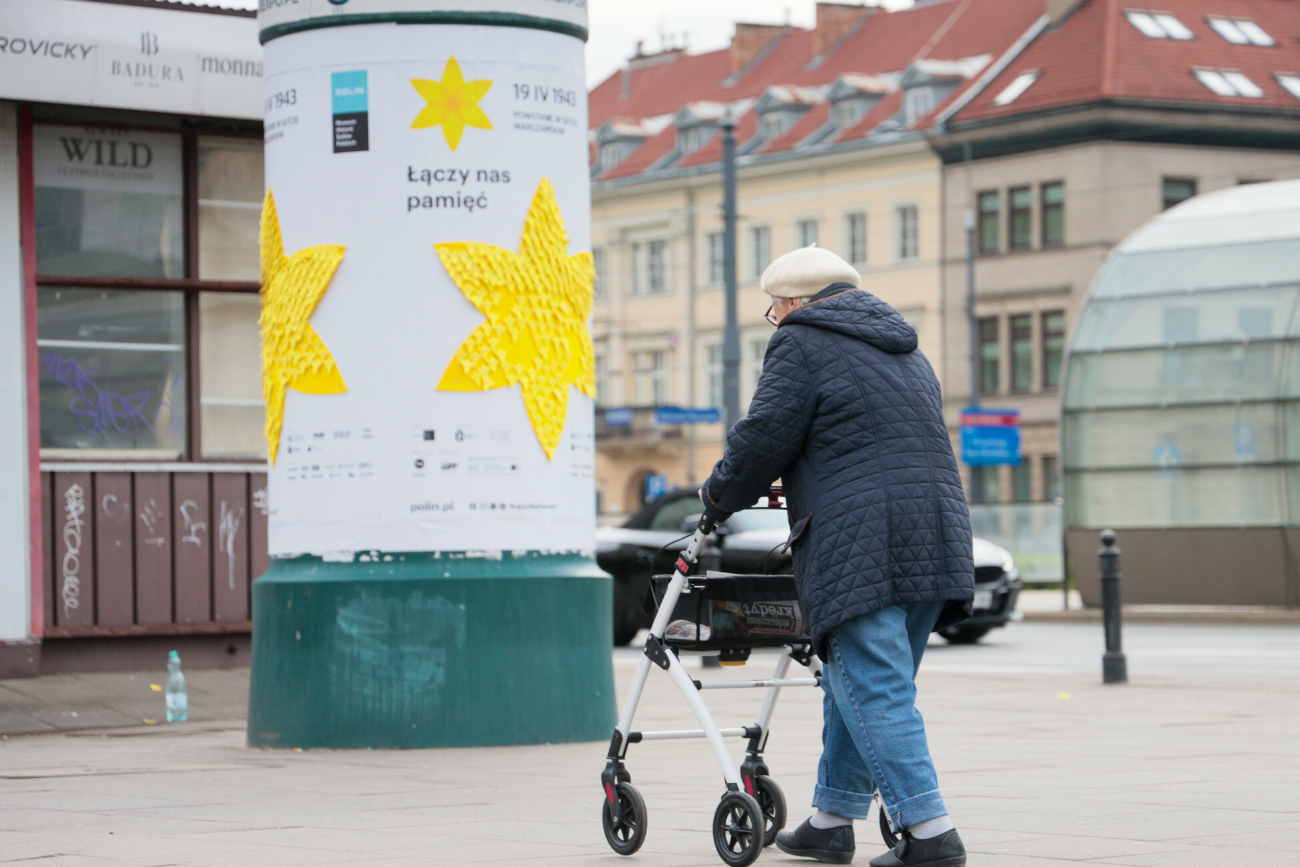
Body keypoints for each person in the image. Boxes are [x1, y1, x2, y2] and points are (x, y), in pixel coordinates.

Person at [700, 245, 973, 866]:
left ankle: (930, 832)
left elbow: (765, 434)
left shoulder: (802, 342)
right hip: (935, 533)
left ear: (794, 302)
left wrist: (718, 495)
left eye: (775, 311)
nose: (777, 320)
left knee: (873, 685)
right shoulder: (903, 346)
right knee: (859, 676)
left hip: (862, 540)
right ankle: (832, 816)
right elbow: (862, 442)